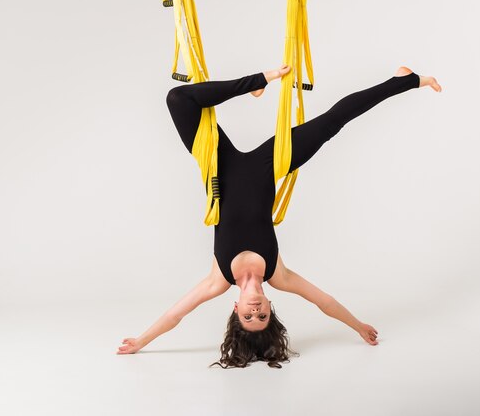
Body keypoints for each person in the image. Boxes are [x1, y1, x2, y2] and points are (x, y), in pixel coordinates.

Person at [117, 65, 442, 368]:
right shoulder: (278, 274)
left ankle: (256, 83)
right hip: (269, 164)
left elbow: (176, 314)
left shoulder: (218, 281)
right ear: (271, 309)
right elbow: (324, 302)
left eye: (249, 317)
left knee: (178, 99)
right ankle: (406, 79)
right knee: (334, 120)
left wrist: (141, 340)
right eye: (262, 318)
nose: (256, 312)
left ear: (236, 310)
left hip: (218, 162)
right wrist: (357, 326)